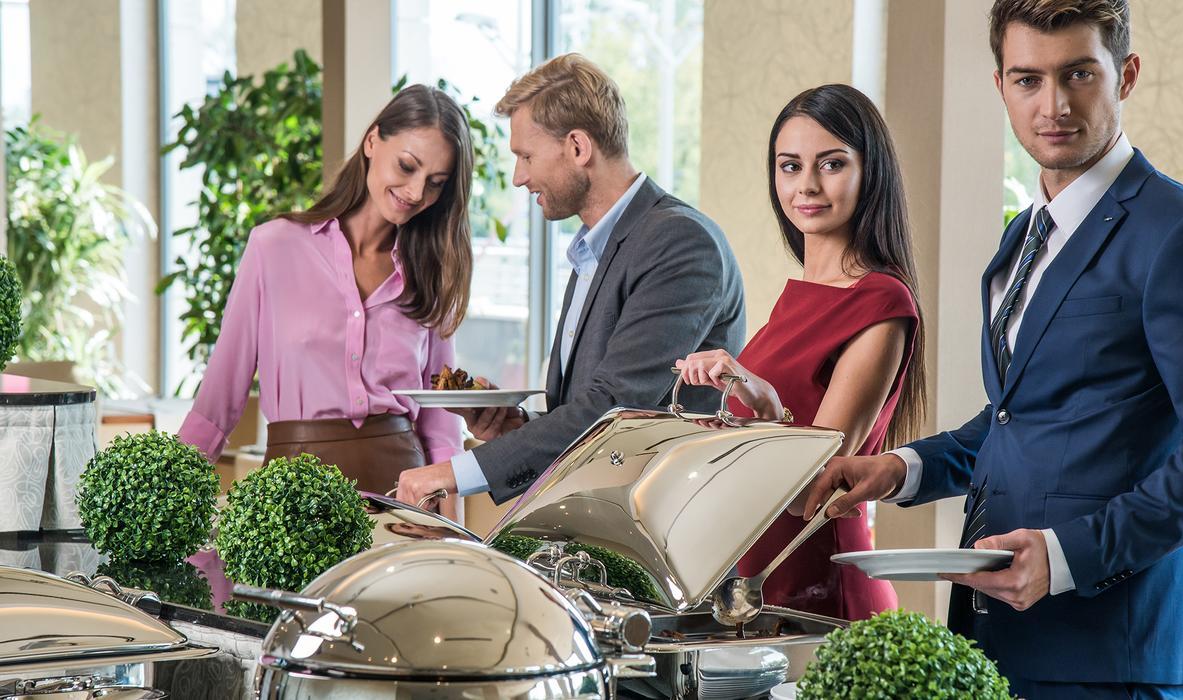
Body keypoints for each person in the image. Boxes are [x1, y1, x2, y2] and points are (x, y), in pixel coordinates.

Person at [802, 1, 1183, 696]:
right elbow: (1018, 421)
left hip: (1105, 659)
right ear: (1000, 85)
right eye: (1027, 80)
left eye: (1078, 74)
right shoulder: (1023, 237)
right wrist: (900, 469)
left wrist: (1062, 558)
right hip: (992, 641)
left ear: (1126, 74)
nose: (1052, 104)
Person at [396, 54, 746, 507]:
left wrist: (454, 473)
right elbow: (597, 412)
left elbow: (613, 410)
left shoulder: (679, 241)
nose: (520, 177)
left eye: (526, 156)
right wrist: (518, 426)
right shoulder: (594, 248)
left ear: (578, 147)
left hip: (661, 546)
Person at [675, 84, 924, 621]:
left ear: (869, 171)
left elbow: (811, 495)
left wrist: (765, 410)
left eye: (831, 164)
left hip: (823, 588)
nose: (806, 185)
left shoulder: (880, 300)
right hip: (759, 582)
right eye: (789, 166)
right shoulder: (798, 298)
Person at [178, 85, 471, 519]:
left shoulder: (431, 272)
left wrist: (451, 541)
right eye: (407, 166)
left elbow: (440, 424)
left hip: (402, 502)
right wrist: (167, 498)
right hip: (289, 501)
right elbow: (219, 398)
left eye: (435, 184)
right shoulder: (273, 247)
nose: (414, 192)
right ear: (372, 141)